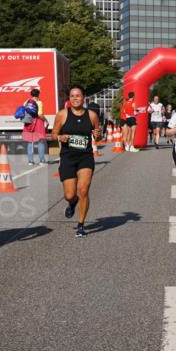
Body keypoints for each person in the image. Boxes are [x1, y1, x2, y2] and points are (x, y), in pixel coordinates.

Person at [51, 85, 102, 237]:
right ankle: (72, 202)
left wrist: (98, 135)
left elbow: (98, 136)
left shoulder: (92, 115)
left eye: (78, 95)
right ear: (69, 98)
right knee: (69, 195)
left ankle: (81, 225)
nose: (75, 98)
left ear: (83, 97)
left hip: (85, 157)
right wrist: (60, 137)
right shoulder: (62, 114)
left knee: (83, 190)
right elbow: (53, 134)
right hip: (67, 157)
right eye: (72, 96)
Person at [21, 87, 48, 165]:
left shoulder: (26, 102)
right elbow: (40, 114)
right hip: (38, 122)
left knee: (30, 142)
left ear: (31, 94)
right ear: (38, 94)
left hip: (28, 123)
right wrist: (46, 120)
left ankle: (30, 161)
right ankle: (42, 160)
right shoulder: (39, 102)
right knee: (40, 142)